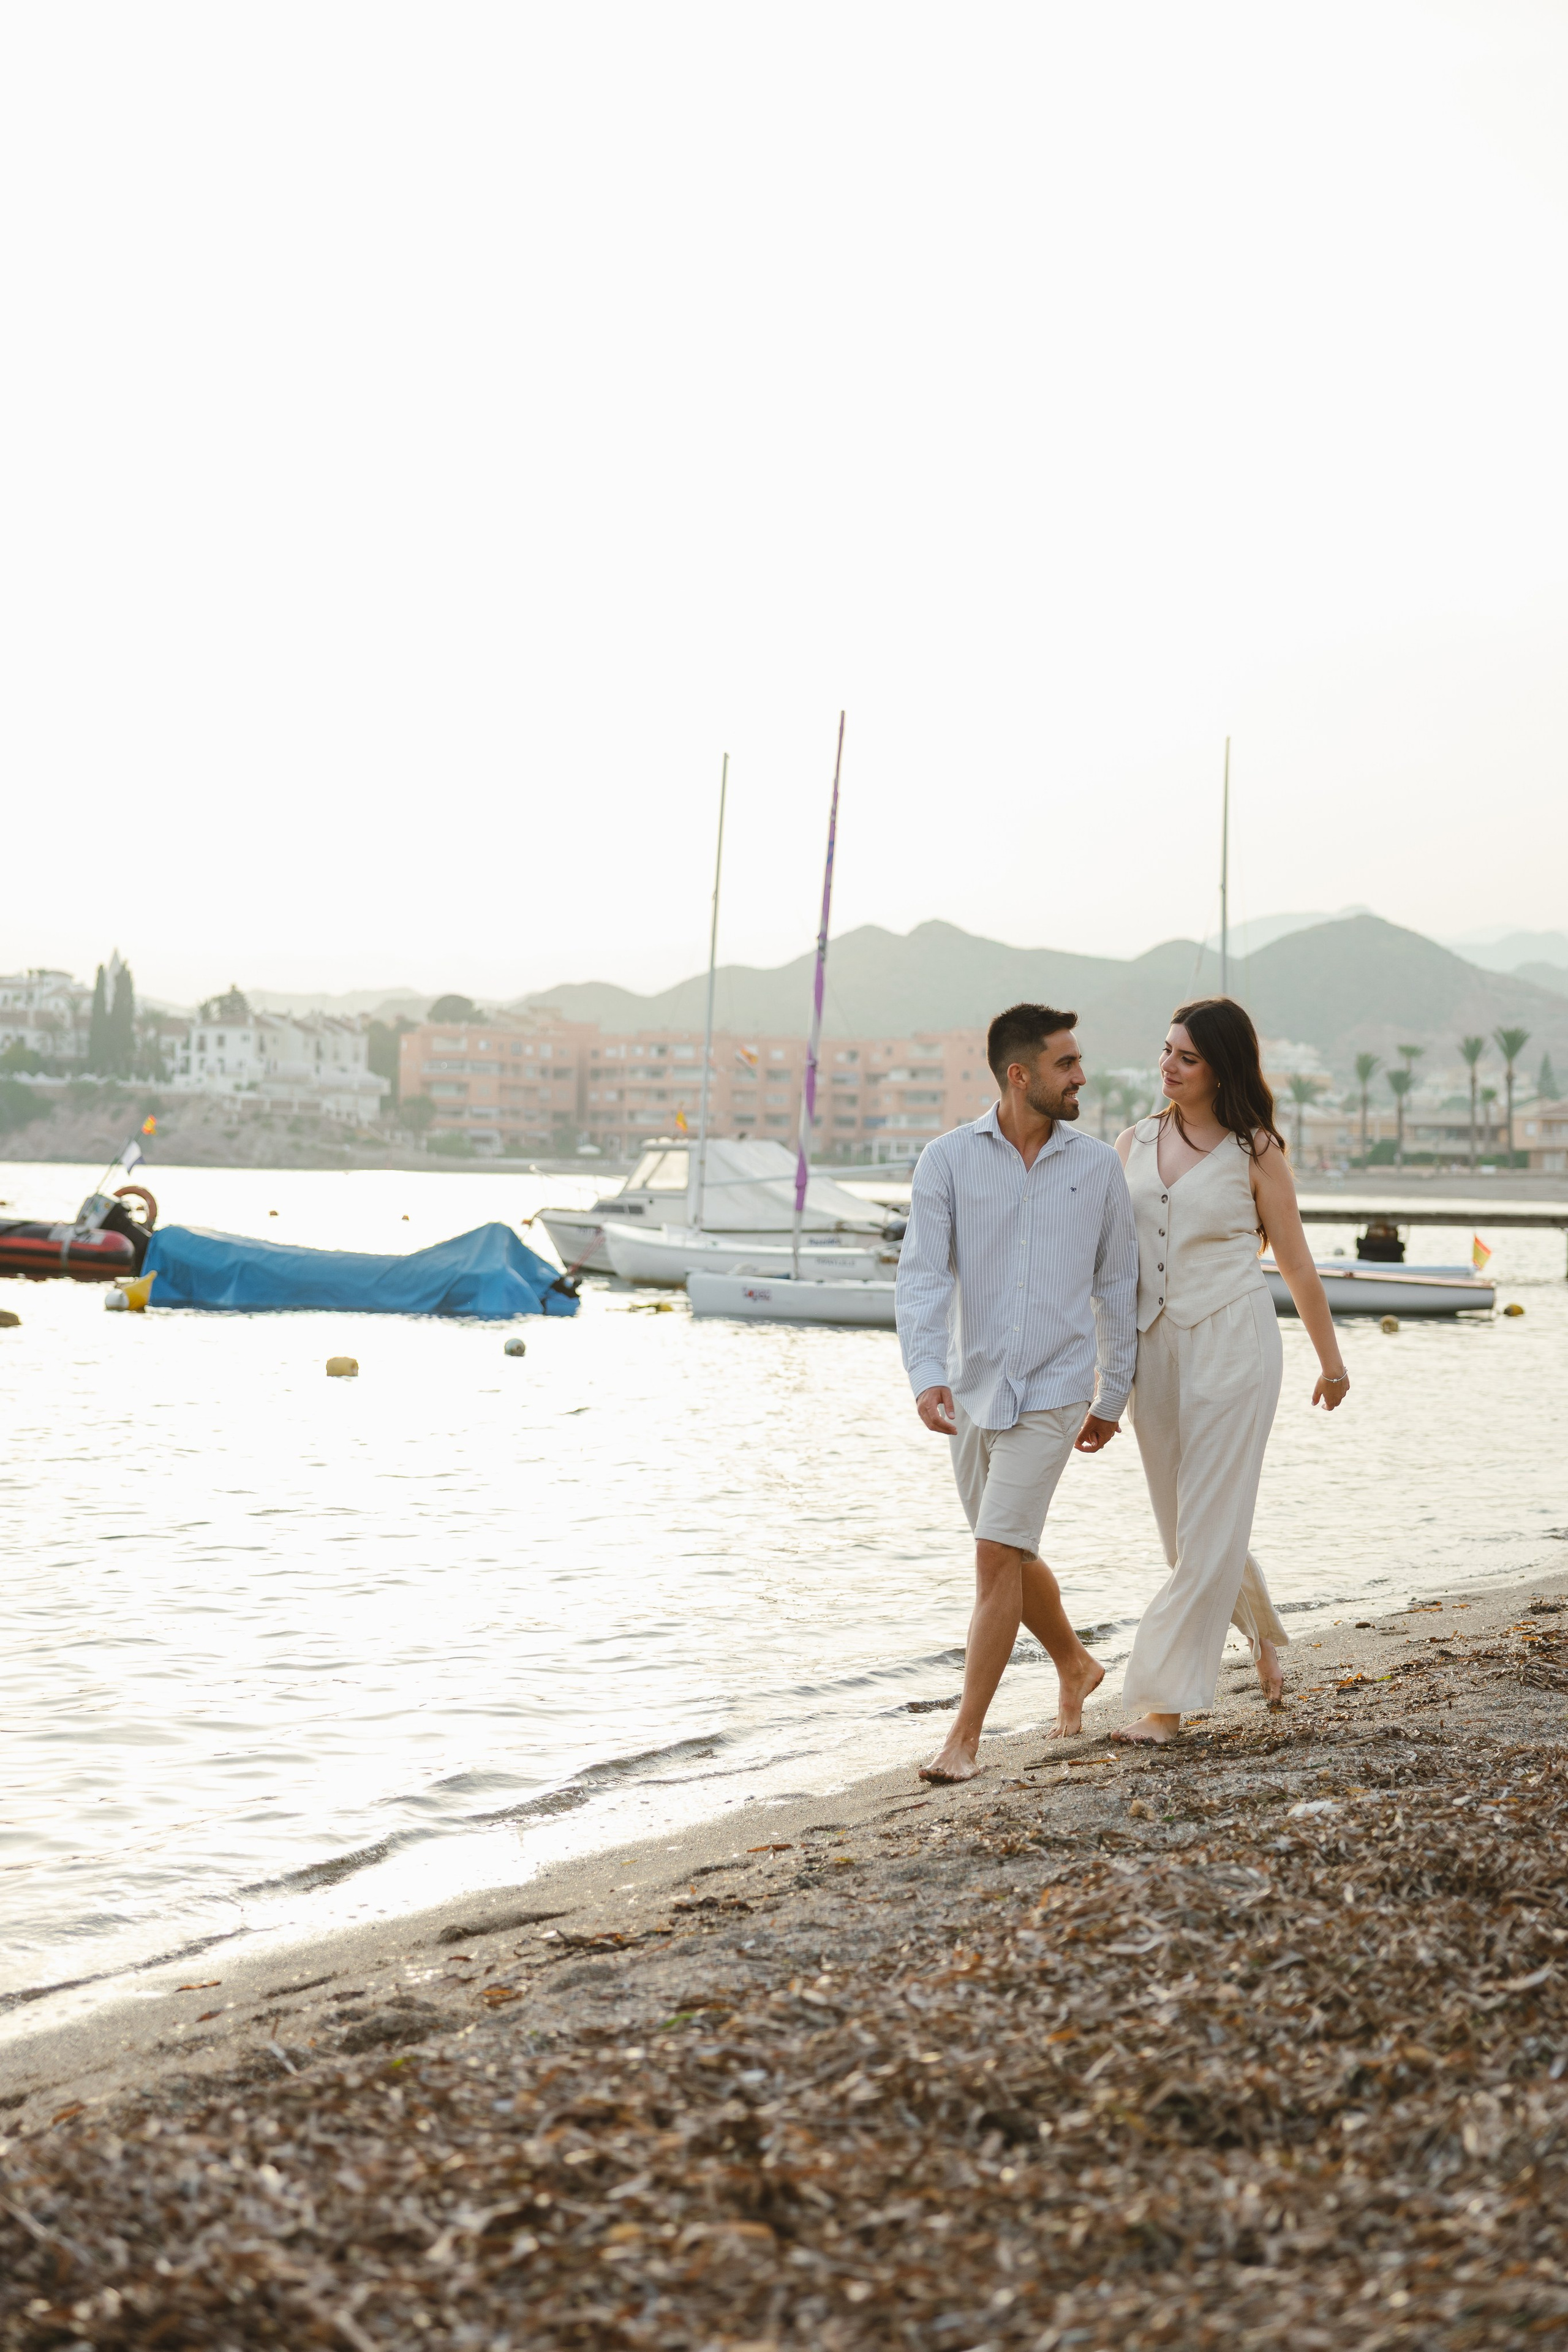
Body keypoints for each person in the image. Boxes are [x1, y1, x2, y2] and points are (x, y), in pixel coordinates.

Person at [895, 1002, 1137, 1782]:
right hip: (972, 1390)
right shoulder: (946, 1161)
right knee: (1010, 1550)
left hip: (1057, 1389)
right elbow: (922, 1277)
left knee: (994, 1552)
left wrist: (1113, 1394)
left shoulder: (1098, 1168)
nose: (1081, 1077)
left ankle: (963, 1740)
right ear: (1019, 1075)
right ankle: (1074, 1663)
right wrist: (926, 1374)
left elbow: (1117, 1287)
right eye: (1066, 1064)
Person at [1112, 997, 1351, 1744]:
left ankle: (1164, 1705)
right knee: (1184, 1532)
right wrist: (1100, 1372)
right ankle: (1262, 1632)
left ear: (1221, 1068)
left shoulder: (1256, 1150)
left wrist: (1331, 1362)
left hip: (1233, 1343)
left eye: (1186, 1057)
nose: (1168, 1066)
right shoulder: (1130, 1142)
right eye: (1166, 1050)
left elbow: (1297, 1264)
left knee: (1210, 1520)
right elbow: (1110, 1266)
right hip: (1152, 1349)